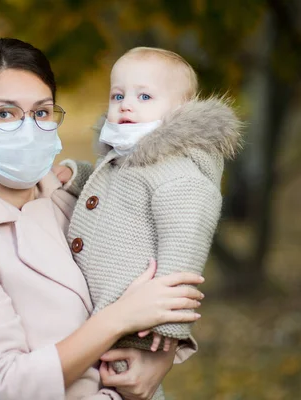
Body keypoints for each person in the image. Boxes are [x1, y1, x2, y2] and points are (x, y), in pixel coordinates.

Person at [0, 38, 206, 400]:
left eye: (40, 112)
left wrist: (156, 361)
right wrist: (120, 317)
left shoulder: (77, 198)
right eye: (5, 114)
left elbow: (160, 263)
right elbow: (4, 385)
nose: (27, 127)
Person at [64, 47, 243, 398]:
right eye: (118, 95)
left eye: (144, 96)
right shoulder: (127, 158)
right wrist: (76, 176)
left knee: (123, 381)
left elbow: (185, 248)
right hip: (108, 313)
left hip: (138, 324)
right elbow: (111, 193)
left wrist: (171, 320)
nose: (126, 104)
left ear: (180, 111)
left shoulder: (179, 174)